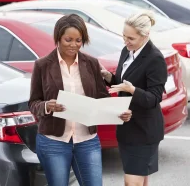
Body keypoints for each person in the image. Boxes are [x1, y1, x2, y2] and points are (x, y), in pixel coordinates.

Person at [28, 14, 132, 186]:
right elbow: (33, 103)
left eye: (78, 40)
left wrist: (118, 113)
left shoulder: (91, 63)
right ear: (58, 38)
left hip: (87, 141)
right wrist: (47, 106)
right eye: (68, 39)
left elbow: (101, 98)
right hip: (53, 141)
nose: (74, 45)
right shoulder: (43, 65)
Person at [101, 10, 168, 186]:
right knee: (139, 182)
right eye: (124, 36)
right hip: (127, 129)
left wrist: (132, 90)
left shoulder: (155, 59)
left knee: (132, 183)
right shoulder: (127, 51)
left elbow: (154, 98)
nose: (126, 41)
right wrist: (108, 77)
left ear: (145, 35)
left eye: (131, 38)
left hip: (144, 131)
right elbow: (123, 82)